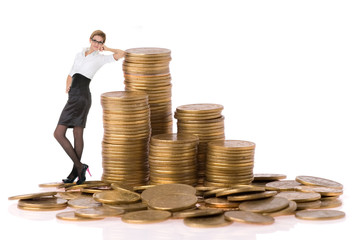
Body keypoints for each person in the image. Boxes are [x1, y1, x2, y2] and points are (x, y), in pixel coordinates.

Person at [54, 30, 125, 185]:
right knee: (75, 134)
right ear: (90, 39)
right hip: (74, 96)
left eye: (100, 42)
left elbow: (122, 53)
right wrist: (68, 87)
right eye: (95, 40)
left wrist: (108, 49)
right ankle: (77, 171)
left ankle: (79, 167)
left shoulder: (100, 58)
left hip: (82, 96)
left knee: (60, 133)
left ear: (102, 44)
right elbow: (71, 73)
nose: (96, 44)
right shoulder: (80, 54)